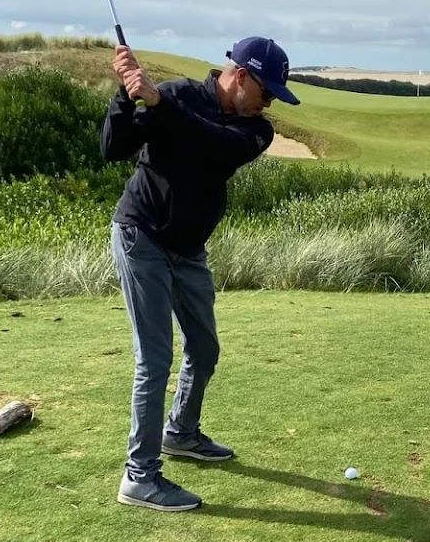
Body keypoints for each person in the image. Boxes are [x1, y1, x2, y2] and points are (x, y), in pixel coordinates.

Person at [101, 36, 299, 511]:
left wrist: (158, 101)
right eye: (266, 93)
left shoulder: (255, 131)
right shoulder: (179, 94)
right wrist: (125, 93)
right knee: (154, 359)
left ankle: (181, 433)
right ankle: (139, 477)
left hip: (189, 250)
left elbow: (212, 145)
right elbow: (114, 147)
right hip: (142, 235)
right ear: (241, 77)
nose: (269, 104)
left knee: (205, 348)